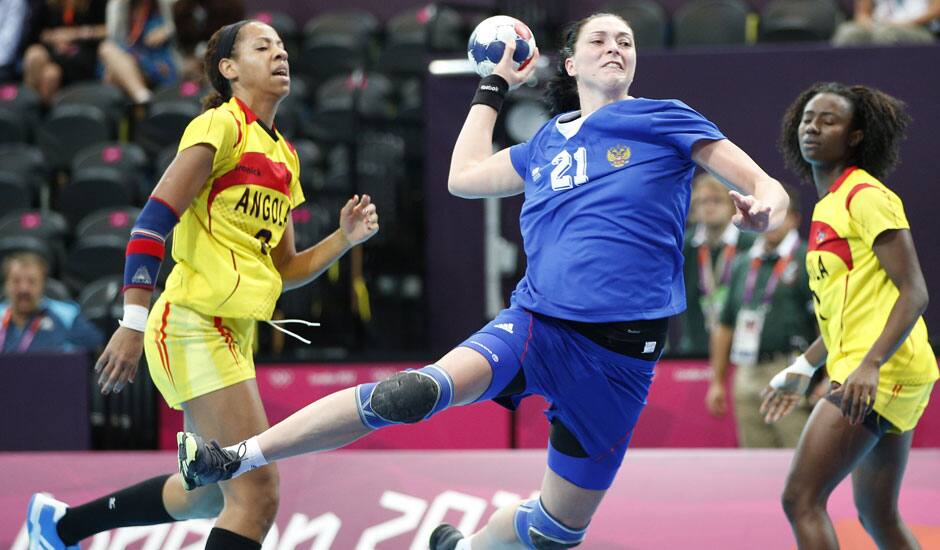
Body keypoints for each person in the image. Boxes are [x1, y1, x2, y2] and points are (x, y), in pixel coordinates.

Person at [175, 13, 789, 550]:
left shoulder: (665, 121)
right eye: (599, 38)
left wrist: (766, 205)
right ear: (570, 62)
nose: (615, 47)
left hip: (622, 360)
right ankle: (231, 456)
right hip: (538, 326)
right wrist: (492, 86)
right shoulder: (545, 144)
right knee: (416, 393)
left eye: (626, 40)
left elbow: (765, 184)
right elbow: (462, 176)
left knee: (555, 531)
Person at [26, 20, 379, 550]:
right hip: (192, 322)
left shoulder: (285, 157)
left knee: (210, 495)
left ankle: (60, 526)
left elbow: (281, 271)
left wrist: (343, 241)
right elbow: (150, 224)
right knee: (256, 490)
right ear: (229, 69)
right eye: (263, 47)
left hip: (234, 332)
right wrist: (132, 320)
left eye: (282, 47)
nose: (280, 54)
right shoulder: (218, 127)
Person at [761, 82, 937, 550]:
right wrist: (805, 366)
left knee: (801, 499)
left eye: (829, 120)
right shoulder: (829, 204)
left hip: (881, 371)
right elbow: (848, 312)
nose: (813, 129)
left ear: (856, 135)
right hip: (878, 367)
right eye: (807, 119)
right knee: (877, 514)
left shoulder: (865, 196)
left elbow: (914, 292)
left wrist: (871, 364)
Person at [704, 189, 818, 447]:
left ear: (795, 219)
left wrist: (828, 377)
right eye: (766, 214)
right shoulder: (743, 262)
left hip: (789, 368)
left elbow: (824, 324)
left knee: (796, 459)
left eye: (780, 215)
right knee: (754, 465)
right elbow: (725, 325)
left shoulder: (806, 259)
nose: (772, 222)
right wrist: (717, 381)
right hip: (746, 373)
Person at [675, 172, 755, 357]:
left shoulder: (750, 244)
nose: (709, 207)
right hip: (694, 347)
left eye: (717, 200)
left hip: (741, 348)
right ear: (693, 208)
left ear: (731, 206)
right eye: (702, 202)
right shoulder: (683, 246)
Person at [0, 251, 103, 353]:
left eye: (31, 281)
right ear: (6, 285)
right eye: (16, 281)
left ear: (43, 285)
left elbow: (97, 345)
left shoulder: (66, 315)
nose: (24, 289)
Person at [22, 0, 108, 104]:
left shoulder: (95, 4)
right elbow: (36, 34)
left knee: (50, 76)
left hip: (82, 54)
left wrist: (75, 34)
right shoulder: (47, 4)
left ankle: (50, 115)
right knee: (34, 55)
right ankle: (27, 109)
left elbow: (107, 30)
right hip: (53, 52)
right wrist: (54, 38)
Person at [98, 0, 178, 105]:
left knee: (113, 70)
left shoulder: (164, 3)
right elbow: (115, 39)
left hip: (159, 60)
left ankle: (141, 99)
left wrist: (168, 30)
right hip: (131, 58)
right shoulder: (118, 5)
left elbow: (182, 23)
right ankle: (143, 97)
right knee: (107, 50)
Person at [832, 0, 940, 45]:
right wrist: (870, 24)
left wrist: (905, 23)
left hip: (921, 28)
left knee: (887, 34)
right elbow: (862, 13)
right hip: (880, 25)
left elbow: (936, 10)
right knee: (848, 32)